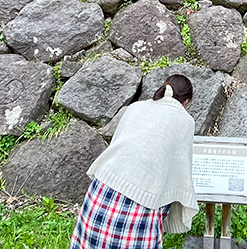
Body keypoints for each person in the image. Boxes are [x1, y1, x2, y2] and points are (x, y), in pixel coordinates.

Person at [69, 74, 198, 249]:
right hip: (138, 206)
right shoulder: (185, 121)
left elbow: (116, 145)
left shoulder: (136, 107)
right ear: (186, 101)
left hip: (100, 194)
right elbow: (180, 171)